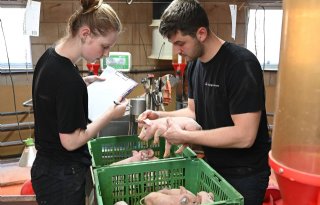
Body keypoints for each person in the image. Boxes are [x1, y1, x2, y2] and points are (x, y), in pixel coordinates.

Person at [138, 0, 271, 204]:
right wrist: (160, 116)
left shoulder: (240, 65)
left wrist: (184, 135)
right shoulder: (195, 66)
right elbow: (193, 111)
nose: (177, 51)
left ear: (201, 33)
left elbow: (245, 136)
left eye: (180, 43)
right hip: (212, 168)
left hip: (245, 175)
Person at [31, 0, 128, 204]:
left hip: (47, 169)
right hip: (62, 176)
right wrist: (110, 114)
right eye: (104, 46)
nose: (106, 53)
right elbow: (71, 141)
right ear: (85, 34)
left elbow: (53, 93)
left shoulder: (51, 56)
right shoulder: (68, 79)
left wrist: (84, 83)